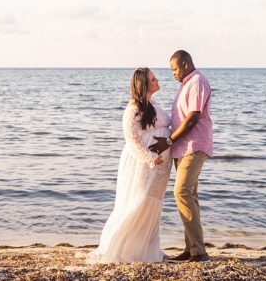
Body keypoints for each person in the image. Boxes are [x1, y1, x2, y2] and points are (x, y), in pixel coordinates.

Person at [87, 67, 173, 263]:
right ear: (144, 84)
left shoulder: (152, 103)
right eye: (153, 78)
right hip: (143, 165)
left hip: (159, 166)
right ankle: (121, 249)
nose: (157, 80)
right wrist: (150, 157)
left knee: (152, 206)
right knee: (139, 202)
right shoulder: (132, 109)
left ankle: (147, 249)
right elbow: (132, 139)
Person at [149, 49, 213, 262]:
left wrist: (168, 141)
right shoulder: (187, 84)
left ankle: (200, 253)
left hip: (194, 146)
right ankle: (192, 249)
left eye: (174, 69)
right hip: (183, 148)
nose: (173, 74)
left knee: (182, 192)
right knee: (190, 196)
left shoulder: (196, 82)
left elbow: (193, 117)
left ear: (185, 64)